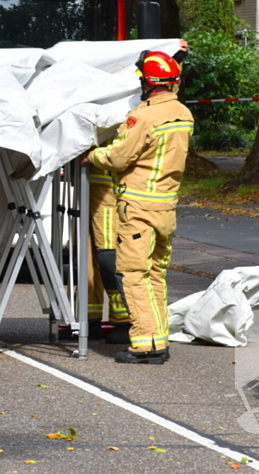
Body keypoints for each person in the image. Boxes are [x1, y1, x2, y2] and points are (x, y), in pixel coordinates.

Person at [86, 42, 192, 364]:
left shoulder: (141, 118)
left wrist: (92, 155)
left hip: (138, 209)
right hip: (166, 208)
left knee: (133, 274)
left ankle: (144, 345)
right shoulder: (183, 114)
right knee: (156, 274)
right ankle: (158, 341)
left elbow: (119, 157)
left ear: (146, 83)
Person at [87, 167, 131, 343]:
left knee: (109, 259)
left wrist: (95, 157)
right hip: (89, 190)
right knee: (87, 262)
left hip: (109, 195)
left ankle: (123, 321)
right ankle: (89, 320)